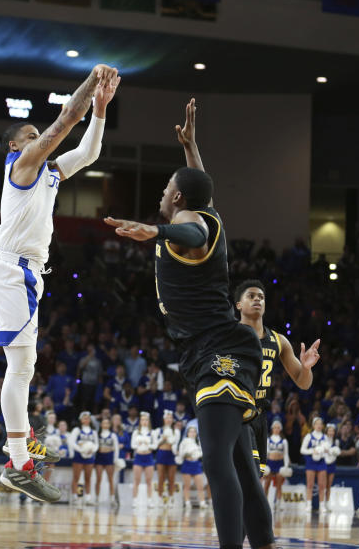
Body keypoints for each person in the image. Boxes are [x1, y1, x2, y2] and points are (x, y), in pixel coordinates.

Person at [103, 97, 275, 549]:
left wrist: (155, 231)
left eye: (166, 188)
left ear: (176, 198)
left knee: (217, 463)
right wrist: (191, 149)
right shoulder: (208, 211)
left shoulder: (190, 227)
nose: (162, 194)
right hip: (217, 348)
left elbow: (190, 233)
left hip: (218, 350)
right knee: (238, 464)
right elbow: (202, 194)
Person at [0, 63, 119, 503]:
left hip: (27, 274)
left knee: (24, 368)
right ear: (14, 144)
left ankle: (18, 455)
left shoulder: (49, 173)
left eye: (36, 135)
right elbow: (65, 123)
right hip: (11, 270)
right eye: (30, 134)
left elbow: (88, 153)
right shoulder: (21, 165)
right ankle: (19, 461)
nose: (38, 138)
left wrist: (99, 110)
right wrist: (91, 83)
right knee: (21, 368)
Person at [234, 279, 320, 478]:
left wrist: (306, 368)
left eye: (261, 297)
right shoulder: (229, 335)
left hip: (259, 416)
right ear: (238, 304)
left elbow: (304, 383)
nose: (257, 299)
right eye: (251, 296)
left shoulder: (278, 340)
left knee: (254, 480)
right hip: (236, 414)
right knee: (243, 481)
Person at [69, 411, 99, 505]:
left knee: (88, 478)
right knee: (76, 477)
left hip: (89, 456)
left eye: (88, 418)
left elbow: (97, 444)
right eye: (84, 418)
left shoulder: (93, 432)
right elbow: (71, 442)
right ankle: (75, 497)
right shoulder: (77, 430)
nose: (86, 419)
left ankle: (88, 498)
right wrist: (81, 450)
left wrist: (92, 450)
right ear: (81, 420)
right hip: (79, 455)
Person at [301, 417, 329, 512]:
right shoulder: (309, 436)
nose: (319, 426)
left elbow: (327, 451)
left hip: (321, 462)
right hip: (311, 462)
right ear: (313, 425)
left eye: (320, 424)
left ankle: (322, 505)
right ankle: (309, 505)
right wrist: (313, 451)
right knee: (310, 484)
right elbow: (302, 450)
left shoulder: (325, 437)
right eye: (317, 424)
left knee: (322, 485)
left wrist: (325, 451)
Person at [154, 409, 180, 507]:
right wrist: (163, 439)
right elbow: (156, 445)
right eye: (167, 418)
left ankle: (171, 498)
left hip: (171, 454)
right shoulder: (158, 430)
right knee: (161, 477)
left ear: (172, 420)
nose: (169, 420)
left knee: (171, 478)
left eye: (170, 418)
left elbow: (175, 442)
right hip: (161, 453)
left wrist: (168, 440)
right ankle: (160, 498)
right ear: (164, 419)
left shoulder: (176, 431)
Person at [178, 424, 208, 509]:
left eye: (194, 431)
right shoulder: (184, 441)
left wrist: (196, 454)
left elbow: (202, 453)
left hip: (196, 464)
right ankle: (187, 503)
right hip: (187, 463)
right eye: (190, 431)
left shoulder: (198, 442)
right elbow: (180, 453)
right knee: (187, 486)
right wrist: (186, 454)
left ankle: (202, 502)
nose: (192, 433)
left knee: (200, 486)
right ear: (187, 433)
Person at [130, 411, 156, 507]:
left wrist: (148, 445)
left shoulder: (152, 432)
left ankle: (150, 500)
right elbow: (132, 445)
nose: (144, 422)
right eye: (143, 420)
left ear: (149, 421)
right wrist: (139, 445)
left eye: (146, 420)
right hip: (139, 457)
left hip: (148, 457)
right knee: (136, 480)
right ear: (140, 421)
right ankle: (135, 500)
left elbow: (155, 445)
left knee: (149, 480)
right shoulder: (136, 432)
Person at [94, 416, 120, 505]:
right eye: (104, 423)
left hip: (109, 458)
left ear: (109, 425)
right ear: (101, 425)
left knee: (110, 479)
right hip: (99, 457)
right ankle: (97, 498)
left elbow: (116, 448)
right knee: (98, 479)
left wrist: (115, 459)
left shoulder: (113, 435)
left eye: (107, 423)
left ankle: (112, 499)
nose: (105, 424)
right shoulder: (97, 435)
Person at [263, 419, 290, 502]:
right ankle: (264, 503)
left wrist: (286, 466)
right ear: (272, 429)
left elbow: (286, 454)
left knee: (279, 485)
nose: (276, 429)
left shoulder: (284, 441)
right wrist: (265, 465)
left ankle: (278, 504)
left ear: (280, 429)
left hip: (279, 463)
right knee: (267, 484)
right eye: (275, 427)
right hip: (270, 463)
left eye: (278, 428)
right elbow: (265, 453)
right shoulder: (268, 440)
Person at [323, 423, 341, 507]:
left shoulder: (336, 441)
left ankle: (327, 503)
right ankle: (322, 503)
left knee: (329, 485)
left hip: (332, 464)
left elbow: (337, 452)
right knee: (323, 484)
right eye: (329, 430)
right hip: (324, 464)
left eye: (332, 431)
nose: (331, 432)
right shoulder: (323, 439)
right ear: (326, 431)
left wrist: (331, 451)